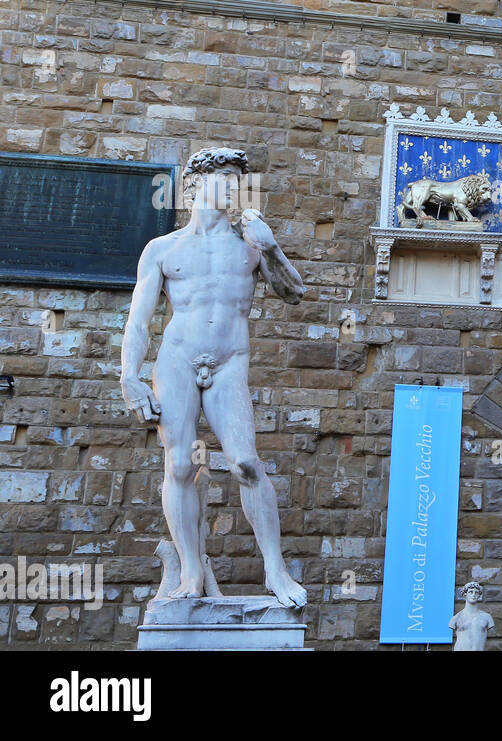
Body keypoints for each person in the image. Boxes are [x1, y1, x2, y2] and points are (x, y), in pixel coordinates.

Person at [120, 147, 307, 607]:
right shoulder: (163, 249)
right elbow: (138, 320)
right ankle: (189, 572)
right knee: (180, 465)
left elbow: (294, 293)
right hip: (177, 361)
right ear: (192, 186)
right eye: (220, 177)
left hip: (229, 364)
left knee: (246, 463)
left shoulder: (249, 245)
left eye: (235, 179)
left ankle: (275, 571)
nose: (229, 186)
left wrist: (271, 246)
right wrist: (129, 376)